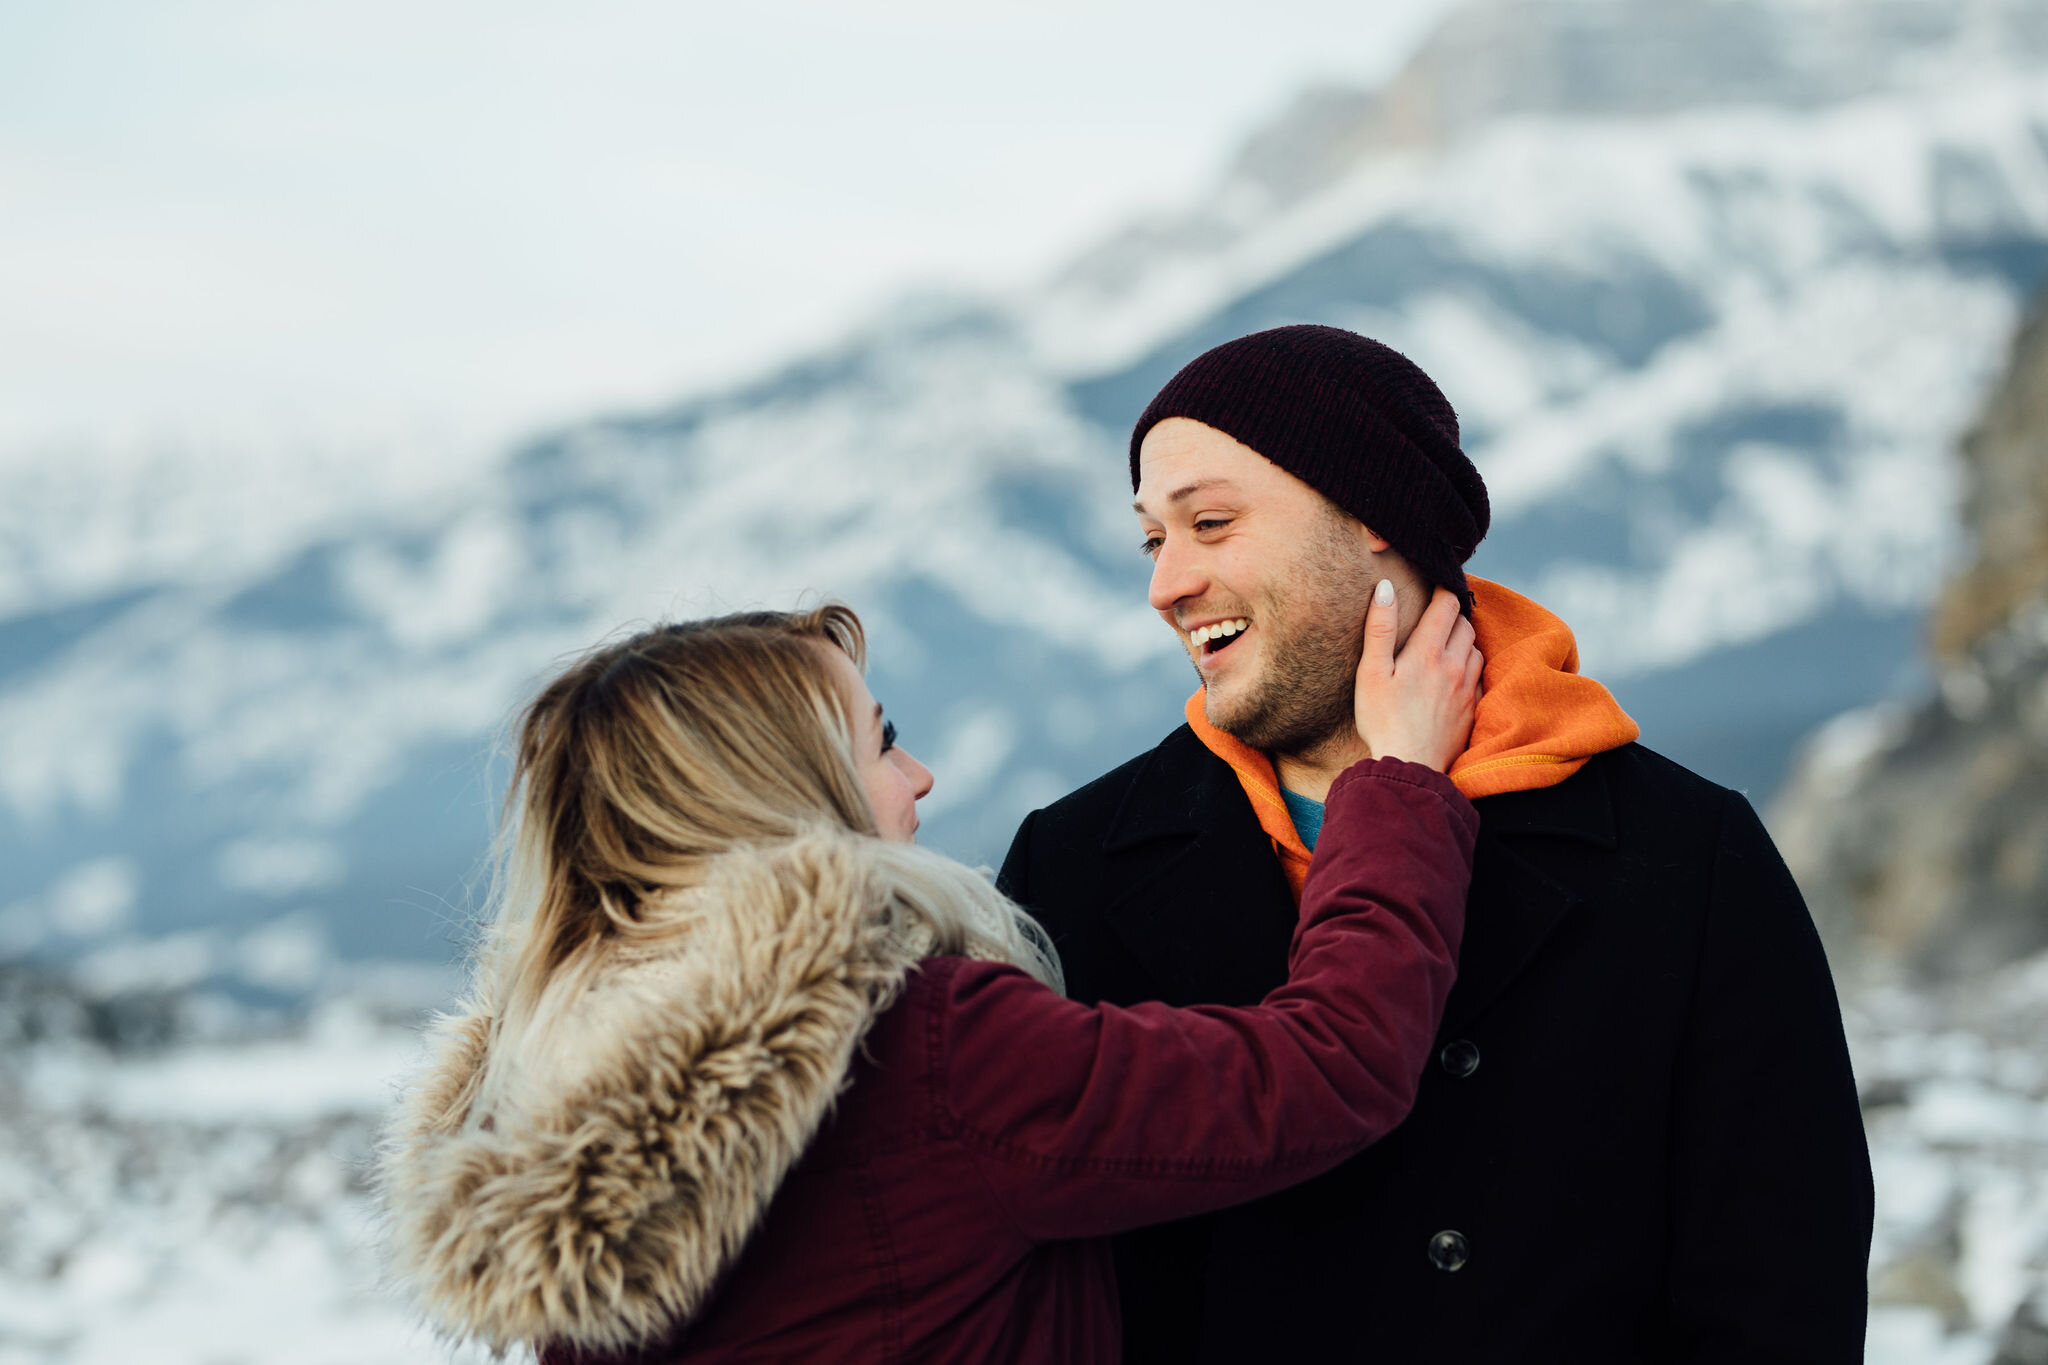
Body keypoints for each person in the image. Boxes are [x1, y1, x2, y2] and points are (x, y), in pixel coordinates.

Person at [999, 324, 1875, 1363]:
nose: (1165, 585)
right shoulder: (1073, 868)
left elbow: (1782, 1293)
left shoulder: (1687, 855)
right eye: (1153, 540)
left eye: (1211, 523)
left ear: (1374, 515)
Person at [380, 595, 1483, 1362]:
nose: (918, 778)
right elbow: (1330, 1066)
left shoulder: (549, 1108)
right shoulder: (926, 1052)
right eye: (881, 743)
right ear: (787, 796)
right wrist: (1390, 784)